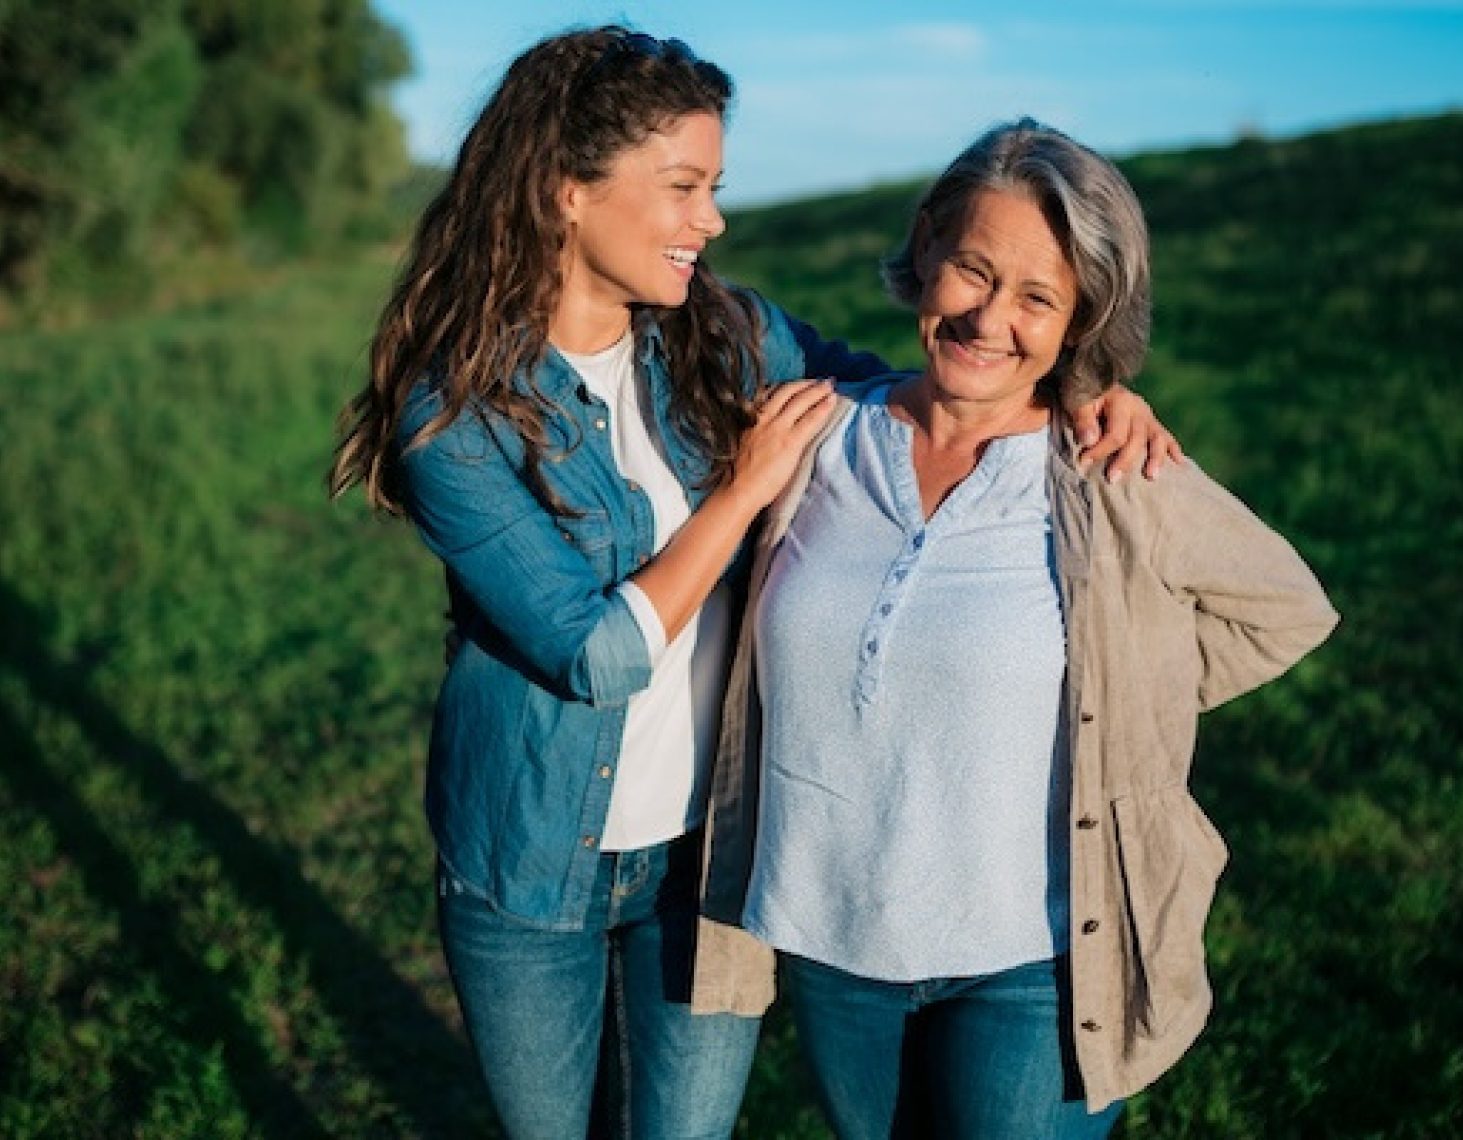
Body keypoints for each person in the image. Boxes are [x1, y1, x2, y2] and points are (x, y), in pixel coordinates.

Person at [329, 25, 1180, 1139]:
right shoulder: (454, 414)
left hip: (703, 859)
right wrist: (738, 493)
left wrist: (1081, 394)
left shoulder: (724, 338)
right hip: (528, 864)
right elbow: (596, 654)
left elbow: (917, 394)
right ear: (564, 192)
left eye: (714, 187)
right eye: (682, 187)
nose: (712, 220)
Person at [693, 118, 1339, 1139]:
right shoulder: (815, 436)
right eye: (972, 272)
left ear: (1080, 319)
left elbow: (1285, 609)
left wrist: (1124, 682)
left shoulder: (1105, 468)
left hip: (1031, 960)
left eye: (1037, 297)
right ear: (924, 251)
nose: (989, 318)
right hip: (830, 937)